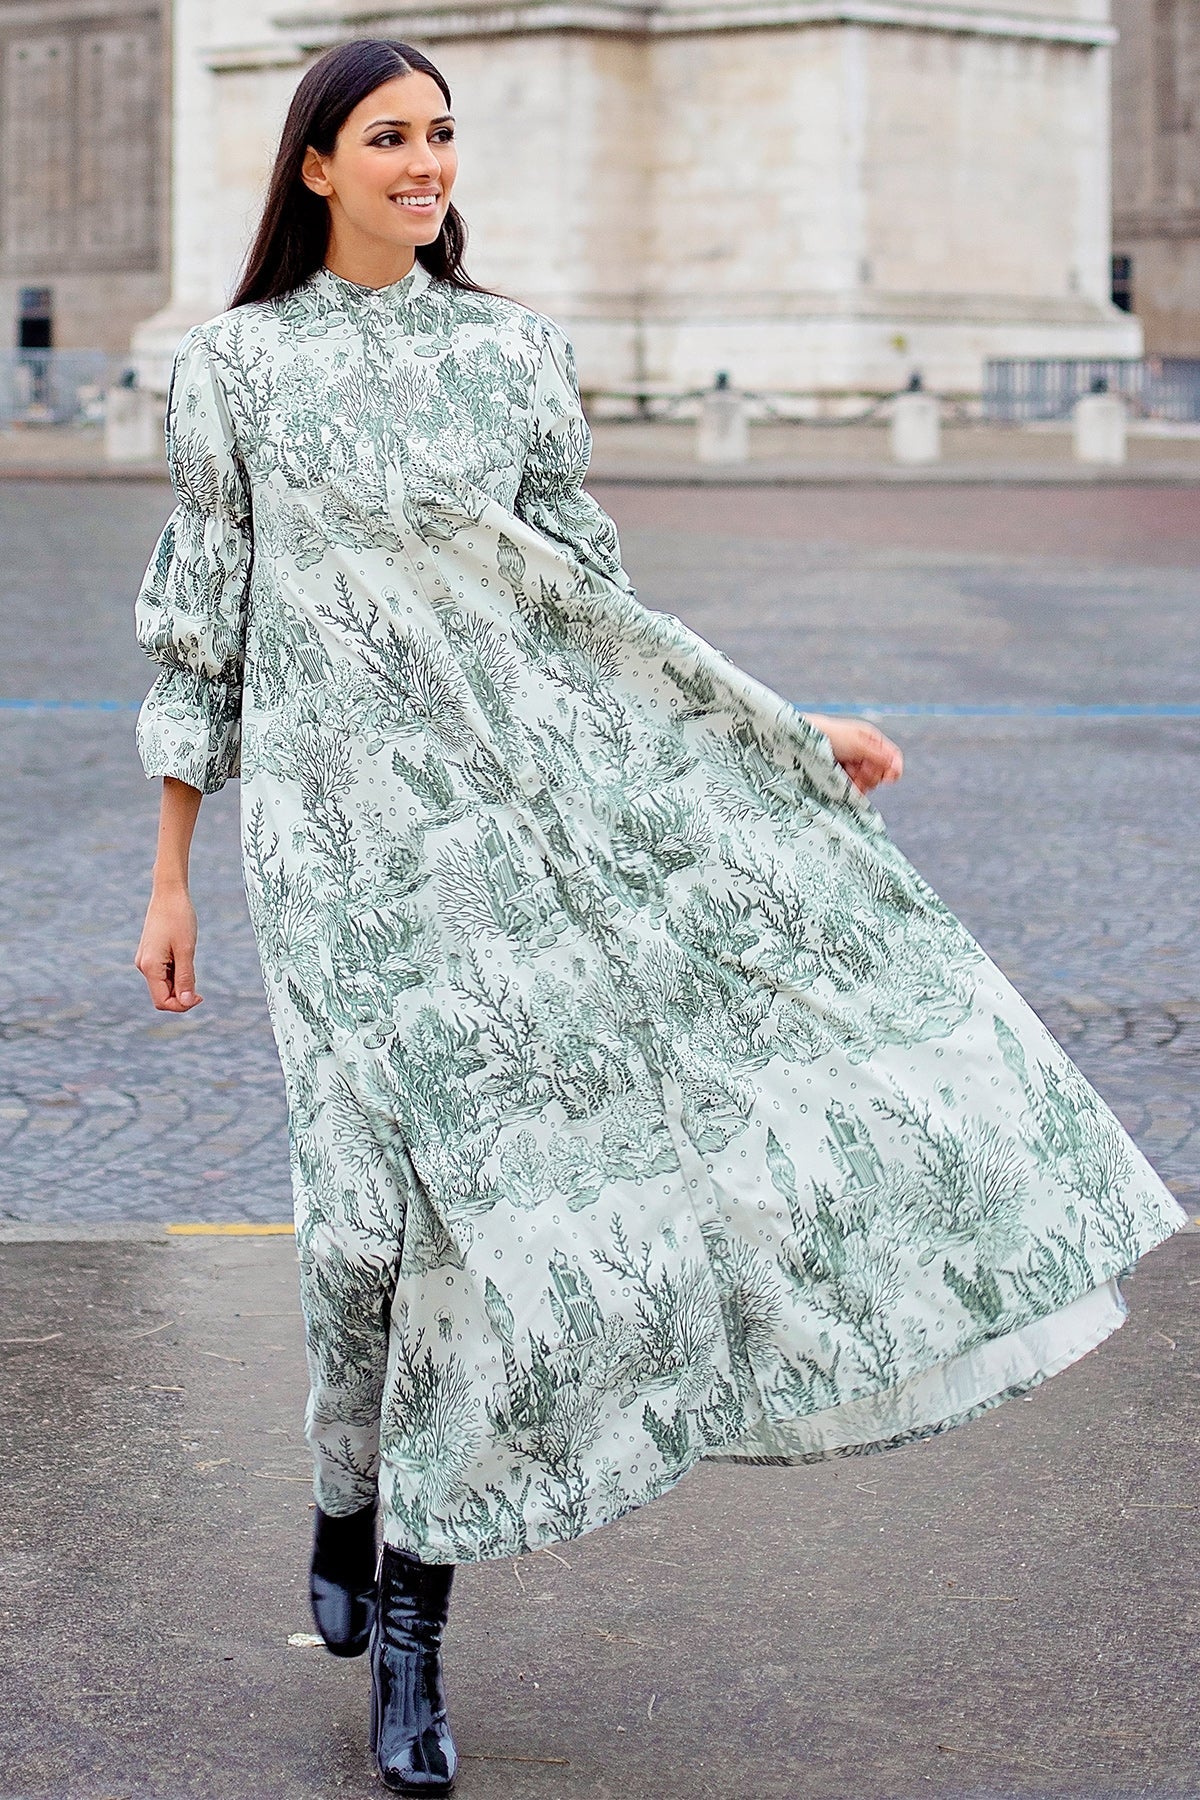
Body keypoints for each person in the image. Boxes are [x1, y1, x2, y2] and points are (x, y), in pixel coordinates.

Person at [133, 36, 1189, 1797]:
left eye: (442, 136)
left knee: (469, 1234)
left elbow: (594, 618)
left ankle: (414, 1620)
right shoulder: (233, 367)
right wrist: (170, 872)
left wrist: (778, 735)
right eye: (388, 138)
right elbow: (201, 619)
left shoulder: (512, 358)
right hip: (333, 856)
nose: (425, 165)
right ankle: (343, 1485)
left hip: (510, 835)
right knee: (357, 1239)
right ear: (314, 166)